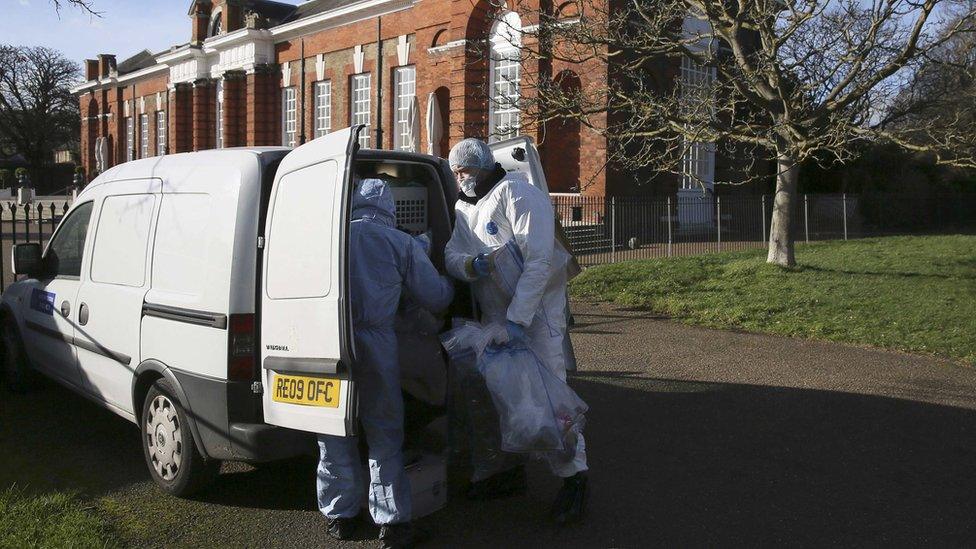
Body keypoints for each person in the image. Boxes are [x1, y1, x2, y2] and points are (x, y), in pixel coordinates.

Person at [444, 138, 588, 524]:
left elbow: (539, 263)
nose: (462, 178)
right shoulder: (463, 207)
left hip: (535, 318)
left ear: (484, 165)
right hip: (496, 318)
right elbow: (451, 255)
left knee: (551, 400)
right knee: (505, 401)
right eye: (457, 172)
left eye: (467, 171)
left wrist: (518, 320)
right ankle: (508, 474)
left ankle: (574, 479)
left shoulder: (519, 195)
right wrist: (470, 265)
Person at [317, 179, 454, 548]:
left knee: (333, 430)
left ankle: (340, 515)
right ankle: (391, 522)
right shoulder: (400, 243)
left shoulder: (329, 236)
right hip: (377, 344)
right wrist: (444, 272)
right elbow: (436, 297)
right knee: (384, 434)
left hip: (328, 341)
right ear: (390, 208)